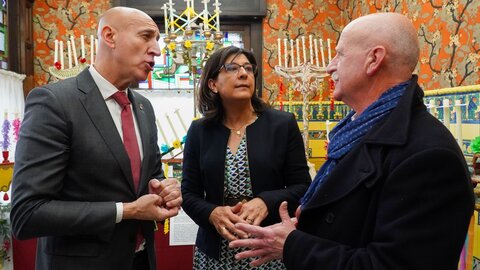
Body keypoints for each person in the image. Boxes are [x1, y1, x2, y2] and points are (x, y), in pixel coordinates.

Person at [230, 13, 475, 269]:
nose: (330, 66)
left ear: (374, 59)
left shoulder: (429, 157)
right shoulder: (356, 132)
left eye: (340, 54)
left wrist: (293, 245)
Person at [10, 7, 182, 270]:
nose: (157, 50)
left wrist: (164, 189)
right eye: (146, 36)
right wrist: (127, 210)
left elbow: (151, 177)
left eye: (157, 40)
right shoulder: (55, 103)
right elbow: (27, 214)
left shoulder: (144, 108)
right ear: (109, 36)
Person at [181, 46, 311, 269]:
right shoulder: (199, 131)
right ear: (213, 84)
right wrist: (212, 213)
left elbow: (303, 187)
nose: (243, 73)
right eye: (232, 68)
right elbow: (189, 193)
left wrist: (266, 202)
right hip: (215, 252)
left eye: (248, 68)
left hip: (270, 249)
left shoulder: (282, 124)